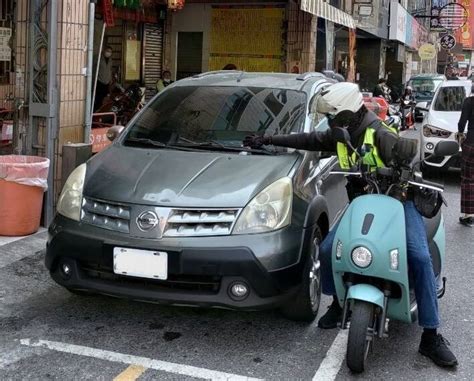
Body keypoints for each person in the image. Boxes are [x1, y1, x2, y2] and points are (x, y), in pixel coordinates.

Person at [243, 82, 458, 368]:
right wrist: (268, 139)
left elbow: (409, 155)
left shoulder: (380, 133)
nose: (330, 122)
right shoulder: (342, 135)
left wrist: (409, 158)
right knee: (329, 249)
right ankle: (339, 303)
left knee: (418, 257)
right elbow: (309, 140)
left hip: (398, 203)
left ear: (347, 113)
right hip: (365, 203)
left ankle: (431, 335)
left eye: (333, 117)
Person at [457, 83, 474, 227]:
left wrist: (460, 135)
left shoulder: (469, 102)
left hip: (471, 144)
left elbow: (462, 123)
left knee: (468, 179)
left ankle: (469, 214)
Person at [94, 46, 114, 111]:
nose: (109, 53)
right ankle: (96, 112)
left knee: (105, 98)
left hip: (107, 82)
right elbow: (93, 68)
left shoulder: (110, 60)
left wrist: (110, 79)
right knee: (98, 99)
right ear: (104, 51)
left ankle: (102, 112)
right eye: (107, 51)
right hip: (99, 81)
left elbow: (110, 70)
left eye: (110, 52)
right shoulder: (98, 58)